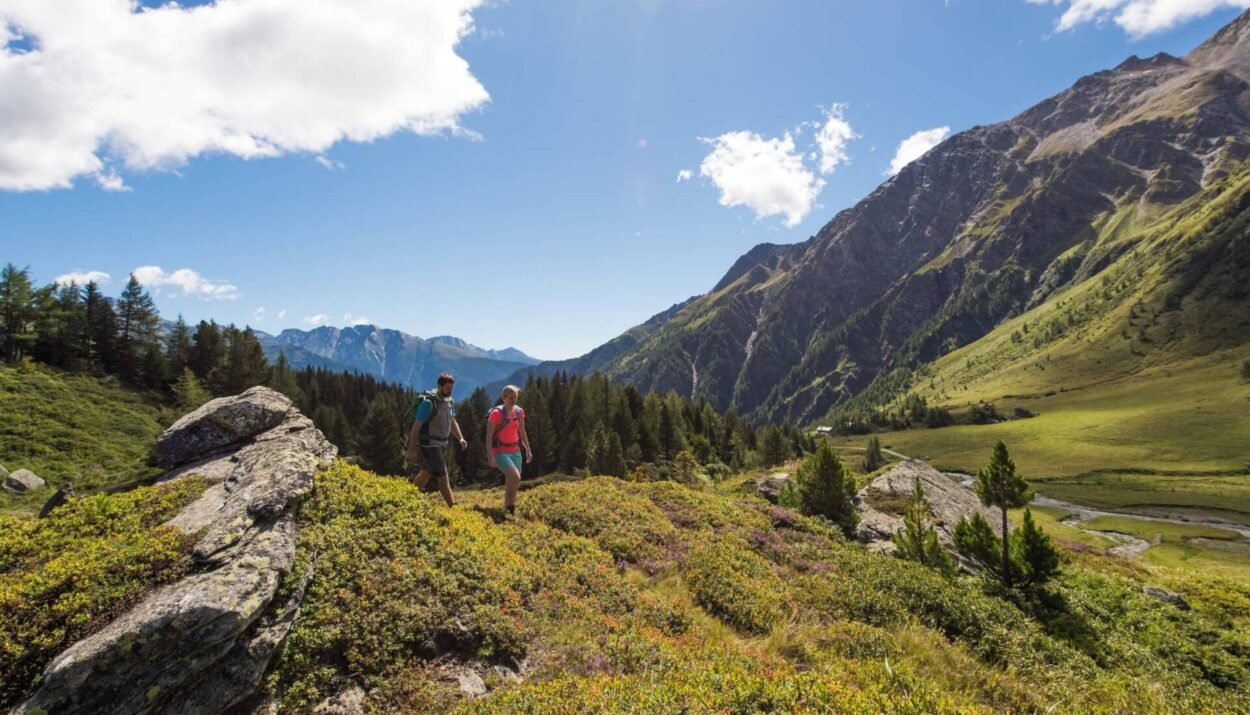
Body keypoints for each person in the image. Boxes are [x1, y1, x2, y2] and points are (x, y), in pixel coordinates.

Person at [404, 373, 468, 507]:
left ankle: (407, 497)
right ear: (439, 386)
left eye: (451, 388)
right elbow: (415, 428)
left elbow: (452, 421)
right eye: (447, 388)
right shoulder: (429, 403)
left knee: (426, 472)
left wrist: (460, 438)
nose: (449, 391)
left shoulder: (449, 401)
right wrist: (412, 450)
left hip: (442, 443)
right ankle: (452, 505)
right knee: (443, 475)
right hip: (430, 444)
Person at [485, 384, 531, 515]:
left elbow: (522, 431)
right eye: (511, 398)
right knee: (514, 476)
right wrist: (490, 456)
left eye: (515, 397)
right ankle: (510, 507)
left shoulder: (519, 412)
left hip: (515, 450)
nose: (514, 400)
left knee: (515, 480)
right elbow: (488, 437)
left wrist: (527, 449)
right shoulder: (495, 414)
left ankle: (508, 506)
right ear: (503, 398)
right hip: (500, 451)